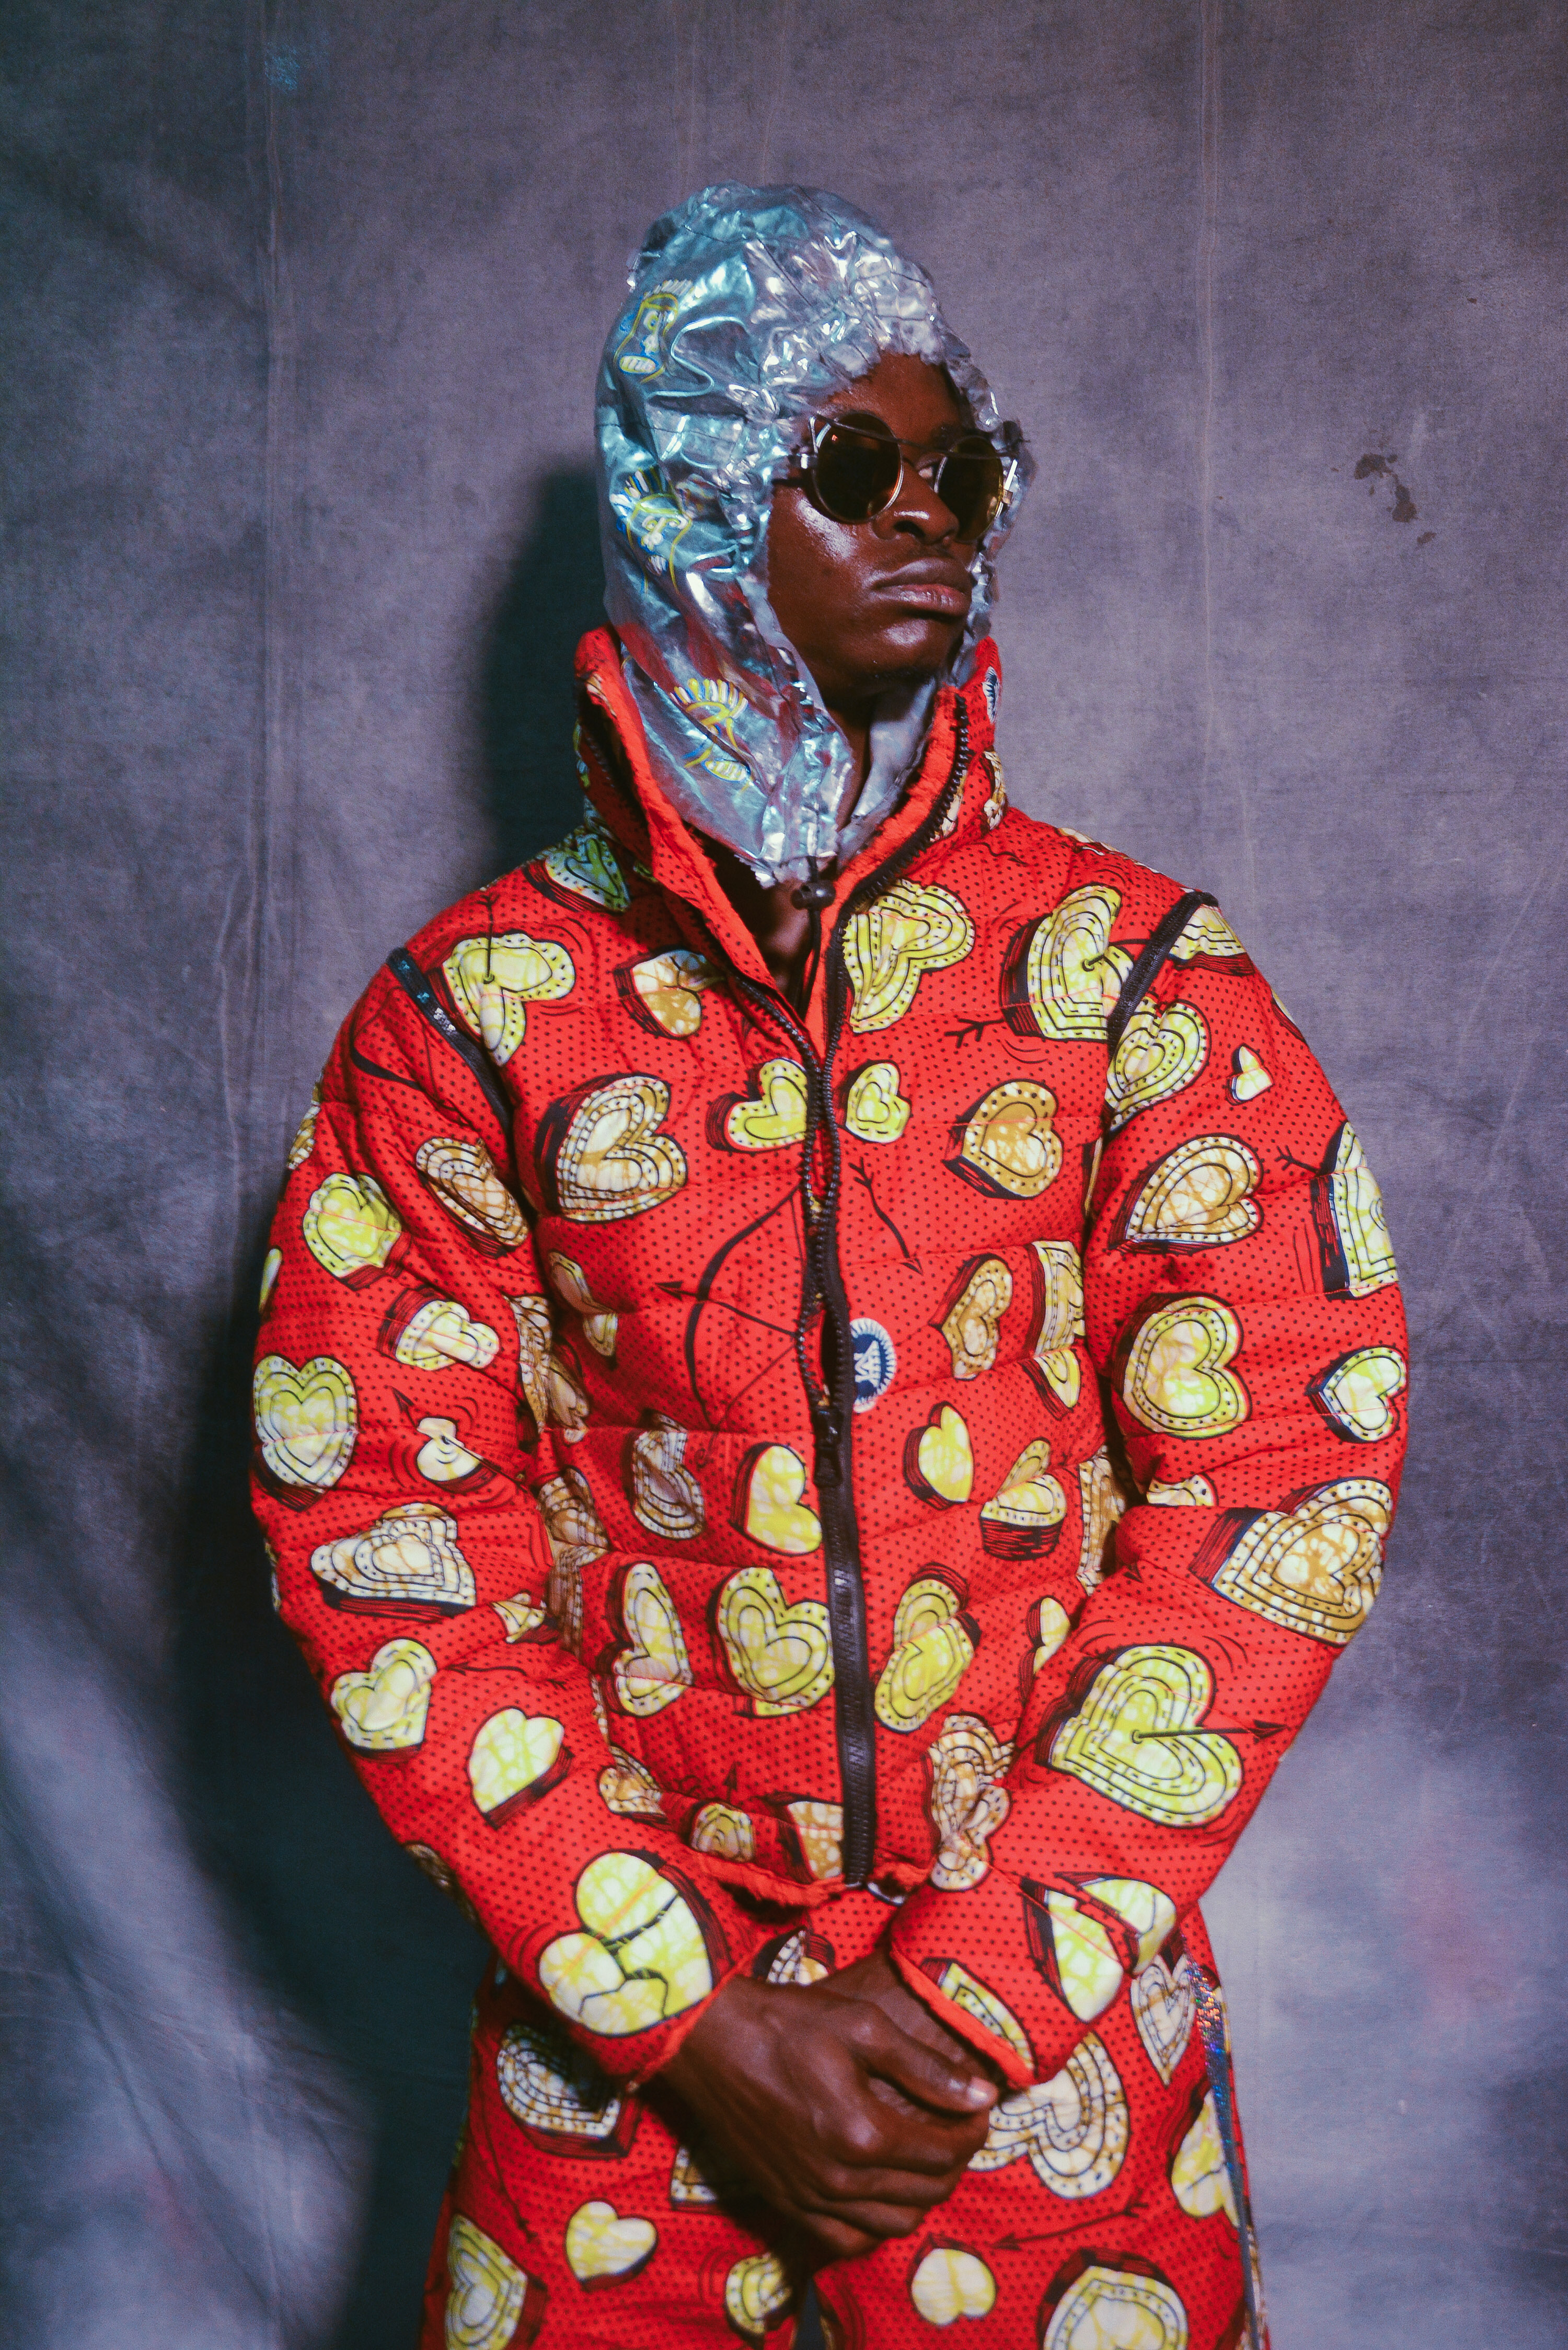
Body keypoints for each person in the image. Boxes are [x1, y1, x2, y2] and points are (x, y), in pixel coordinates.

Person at [252, 188, 1408, 2350]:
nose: (930, 516)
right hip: (627, 2061)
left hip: (1037, 2060)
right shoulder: (472, 1020)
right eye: (852, 466)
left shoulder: (1129, 980)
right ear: (697, 512)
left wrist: (981, 1987)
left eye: (964, 467)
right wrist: (684, 2019)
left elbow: (1284, 1471)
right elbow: (386, 1523)